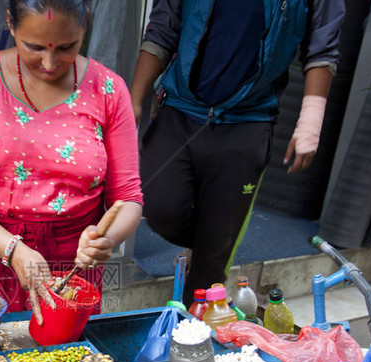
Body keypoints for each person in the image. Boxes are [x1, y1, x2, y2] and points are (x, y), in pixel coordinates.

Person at [0, 0, 143, 325]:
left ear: (84, 25)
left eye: (66, 47)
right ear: (11, 25)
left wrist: (106, 240)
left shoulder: (109, 90)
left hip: (71, 272)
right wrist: (12, 249)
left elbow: (127, 198)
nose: (49, 63)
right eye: (33, 47)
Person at [130, 0, 345, 297]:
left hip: (248, 123)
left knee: (211, 260)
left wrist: (311, 121)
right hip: (179, 110)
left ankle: (193, 329)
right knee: (161, 209)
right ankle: (208, 242)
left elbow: (322, 47)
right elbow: (163, 29)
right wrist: (134, 99)